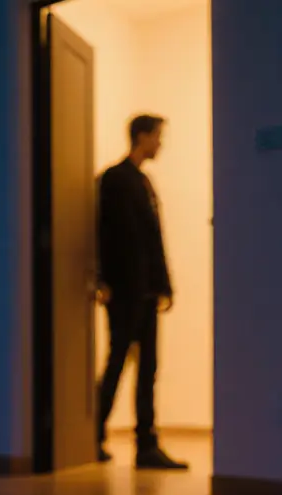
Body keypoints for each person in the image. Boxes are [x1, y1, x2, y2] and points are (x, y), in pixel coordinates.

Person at [94, 114, 187, 470]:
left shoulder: (142, 181)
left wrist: (163, 284)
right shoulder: (116, 179)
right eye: (157, 136)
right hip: (125, 290)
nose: (160, 144)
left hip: (144, 290)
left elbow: (151, 238)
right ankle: (94, 434)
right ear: (142, 137)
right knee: (118, 361)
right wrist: (106, 281)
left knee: (146, 366)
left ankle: (145, 444)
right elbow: (109, 235)